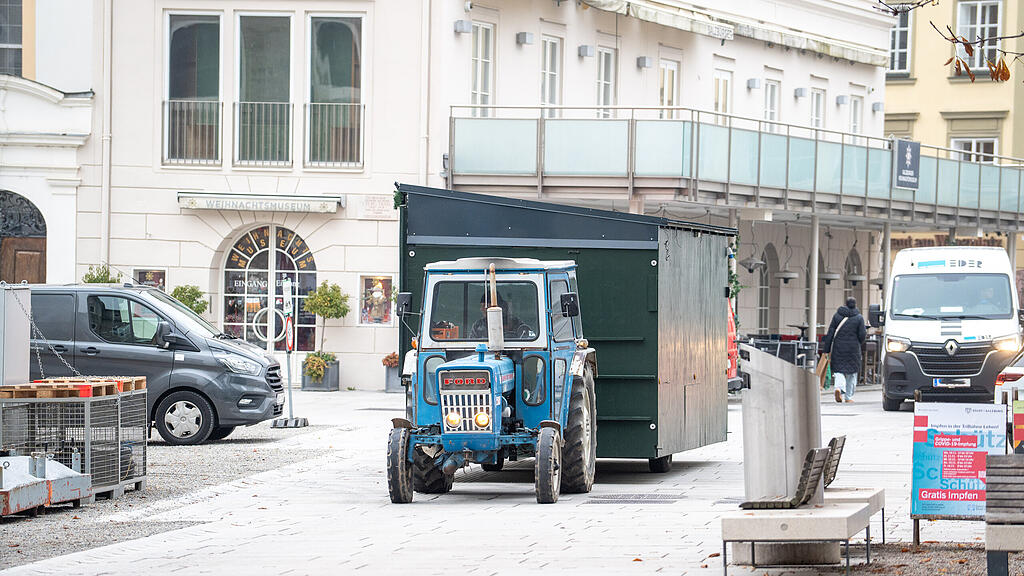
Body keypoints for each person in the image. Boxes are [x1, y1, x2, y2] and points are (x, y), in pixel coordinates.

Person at [821, 297, 867, 403]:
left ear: (845, 304)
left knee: (839, 370)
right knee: (852, 373)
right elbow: (862, 335)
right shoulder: (859, 318)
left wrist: (826, 350)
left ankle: (839, 388)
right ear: (855, 305)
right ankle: (848, 397)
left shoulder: (837, 316)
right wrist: (859, 343)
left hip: (838, 347)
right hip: (853, 349)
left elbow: (830, 333)